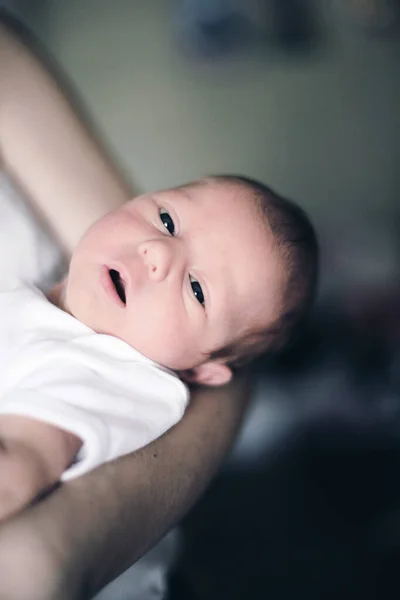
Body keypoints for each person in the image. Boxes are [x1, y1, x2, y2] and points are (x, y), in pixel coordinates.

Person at [0, 18, 318, 523]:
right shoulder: (50, 308)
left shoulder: (109, 379)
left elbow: (16, 470)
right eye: (168, 220)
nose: (159, 253)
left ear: (200, 370)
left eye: (197, 289)